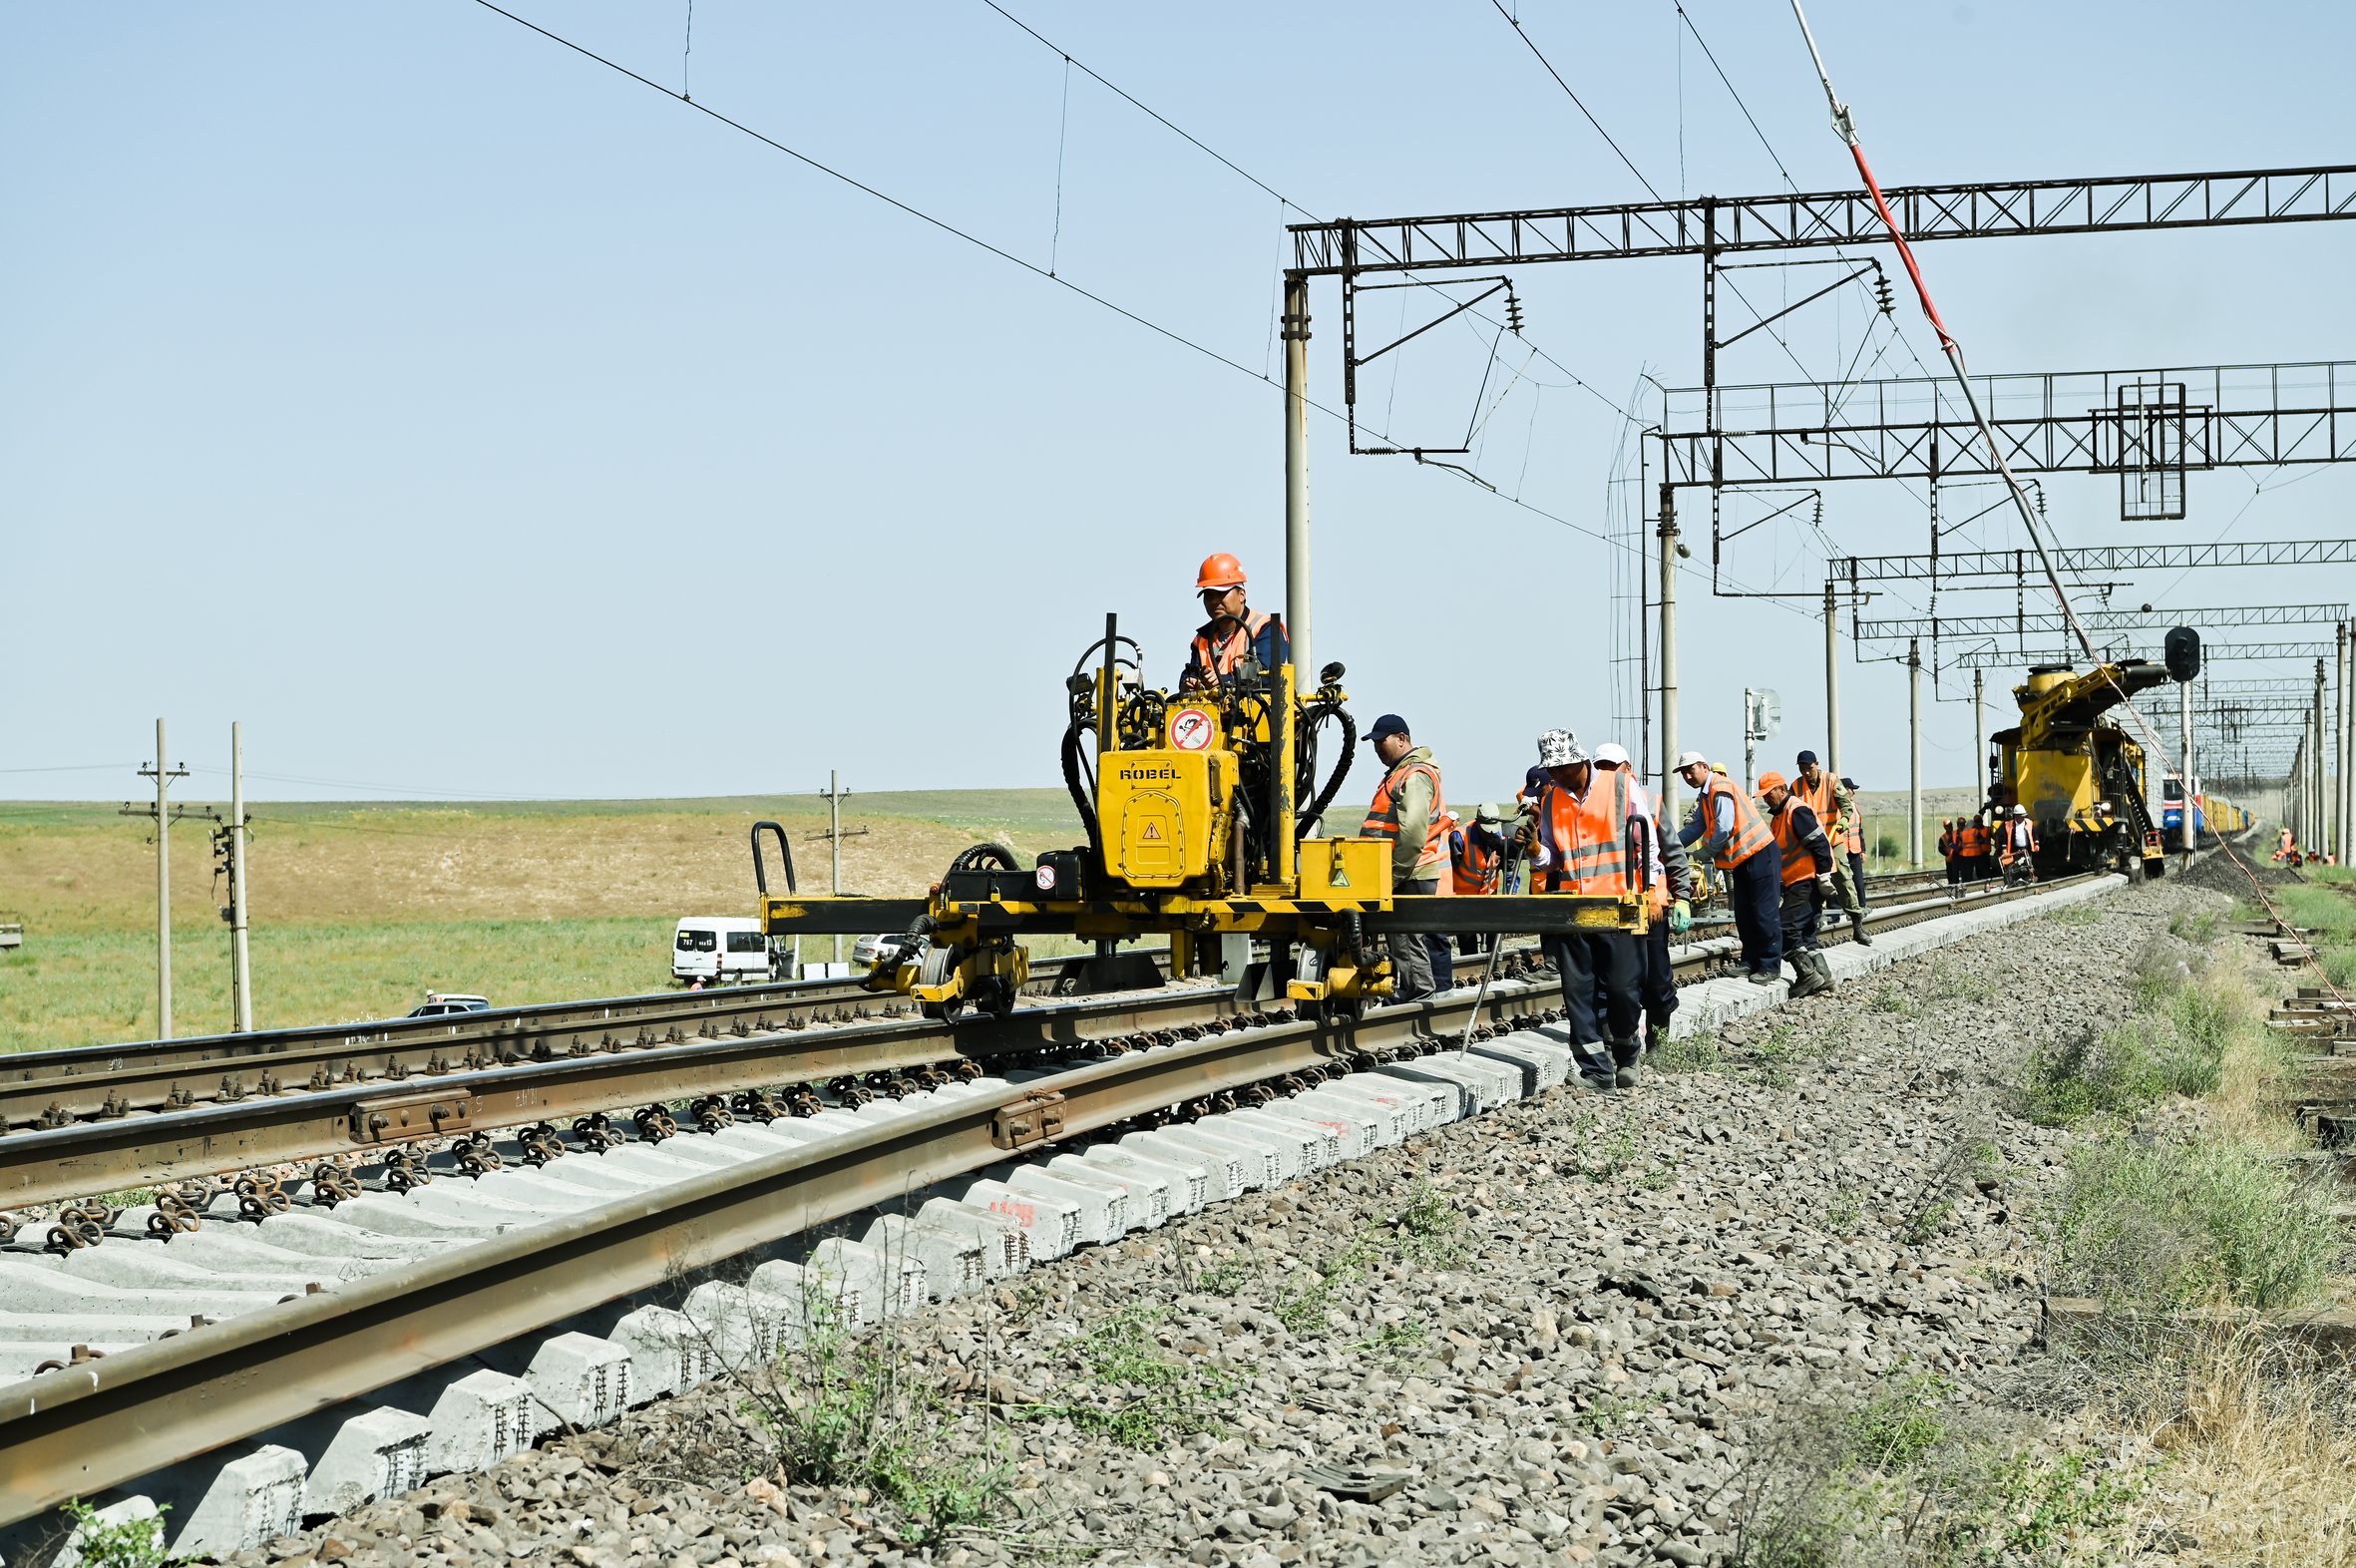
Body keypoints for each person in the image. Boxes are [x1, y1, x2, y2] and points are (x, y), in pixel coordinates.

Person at [1522, 729, 1641, 1090]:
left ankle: (1626, 1051)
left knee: (1622, 989)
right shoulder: (1554, 800)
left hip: (1617, 906)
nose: (1555, 776)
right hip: (1575, 908)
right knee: (1579, 992)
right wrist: (1533, 850)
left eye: (1561, 769)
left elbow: (1646, 844)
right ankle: (1595, 1070)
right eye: (1552, 770)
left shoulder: (1621, 787)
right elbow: (1552, 860)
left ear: (1579, 761)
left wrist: (1657, 893)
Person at [1596, 742, 1694, 1069]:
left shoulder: (1649, 801)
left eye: (1614, 768)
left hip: (1651, 908)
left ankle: (1658, 1045)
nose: (1609, 775)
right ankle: (1616, 1046)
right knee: (1612, 982)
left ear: (1627, 768)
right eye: (1603, 769)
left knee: (1656, 982)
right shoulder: (1593, 806)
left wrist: (1681, 897)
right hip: (1616, 908)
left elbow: (1673, 851)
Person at [1360, 713, 1446, 1000]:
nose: (1377, 749)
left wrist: (1394, 874)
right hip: (1404, 871)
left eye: (1381, 742)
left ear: (1401, 738)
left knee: (1407, 939)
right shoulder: (1401, 773)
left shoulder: (1416, 775)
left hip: (1411, 872)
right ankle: (1413, 991)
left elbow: (1412, 834)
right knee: (1402, 939)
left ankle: (1418, 993)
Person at [1676, 750, 1781, 983]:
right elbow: (1696, 827)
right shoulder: (1705, 796)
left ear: (1704, 767)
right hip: (1743, 859)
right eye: (1683, 773)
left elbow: (1723, 827)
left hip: (1760, 853)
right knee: (1745, 914)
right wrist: (1669, 845)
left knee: (1764, 913)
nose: (1687, 777)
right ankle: (1750, 961)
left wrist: (1708, 851)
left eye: (1690, 770)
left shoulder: (1719, 786)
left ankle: (1770, 965)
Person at [1758, 771, 1838, 998]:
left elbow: (1820, 844)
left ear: (1782, 790)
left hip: (1807, 879)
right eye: (1763, 795)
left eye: (1769, 793)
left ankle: (1807, 976)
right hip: (1797, 880)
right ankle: (1825, 977)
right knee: (1806, 932)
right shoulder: (1779, 816)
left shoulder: (1796, 810)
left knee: (1785, 926)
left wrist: (1823, 876)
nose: (1765, 799)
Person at [1180, 554, 1290, 691]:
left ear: (1242, 595)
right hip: (1214, 712)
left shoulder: (1264, 628)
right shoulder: (1201, 639)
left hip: (1256, 711)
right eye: (1208, 595)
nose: (1214, 601)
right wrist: (1188, 683)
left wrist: (1223, 680)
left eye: (1221, 593)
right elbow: (1191, 673)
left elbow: (1266, 675)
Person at [1792, 751, 1869, 944]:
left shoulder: (1832, 781)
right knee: (1808, 884)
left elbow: (1846, 805)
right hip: (1809, 845)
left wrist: (1844, 819)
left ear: (1816, 764)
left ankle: (1857, 926)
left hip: (1833, 840)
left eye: (1809, 768)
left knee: (1844, 878)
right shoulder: (1796, 786)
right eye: (1802, 769)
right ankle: (1809, 929)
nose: (1806, 773)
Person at [1448, 805, 1506, 955]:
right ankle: (1470, 971)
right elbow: (1450, 870)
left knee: (1494, 942)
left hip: (1489, 897)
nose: (1490, 833)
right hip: (1464, 899)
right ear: (1478, 823)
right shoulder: (1459, 836)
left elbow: (1509, 867)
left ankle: (1494, 971)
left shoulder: (1502, 835)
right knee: (1468, 944)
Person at [1839, 776, 1869, 907]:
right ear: (1845, 790)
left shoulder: (1855, 807)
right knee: (1840, 881)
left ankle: (1862, 906)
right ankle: (1840, 909)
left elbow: (1859, 831)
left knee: (1858, 881)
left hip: (1855, 850)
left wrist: (1863, 850)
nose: (1854, 792)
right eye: (1852, 789)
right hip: (1841, 850)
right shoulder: (1836, 808)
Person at [2000, 804, 2039, 883]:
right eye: (2022, 816)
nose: (2023, 817)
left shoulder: (2029, 823)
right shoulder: (2008, 825)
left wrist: (2036, 844)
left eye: (2024, 815)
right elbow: (2003, 837)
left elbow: (2034, 834)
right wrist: (2004, 850)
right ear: (2016, 816)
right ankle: (2013, 881)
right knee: (2013, 866)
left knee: (2028, 865)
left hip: (2026, 849)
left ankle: (2029, 879)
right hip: (2014, 850)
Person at [1937, 817, 1962, 890]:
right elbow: (1940, 848)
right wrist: (1947, 854)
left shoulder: (1956, 833)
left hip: (1958, 858)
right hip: (1949, 860)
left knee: (1957, 875)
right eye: (1948, 826)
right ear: (1945, 827)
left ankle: (1957, 887)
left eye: (1950, 825)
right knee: (1951, 876)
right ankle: (1952, 888)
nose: (1950, 827)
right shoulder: (1943, 837)